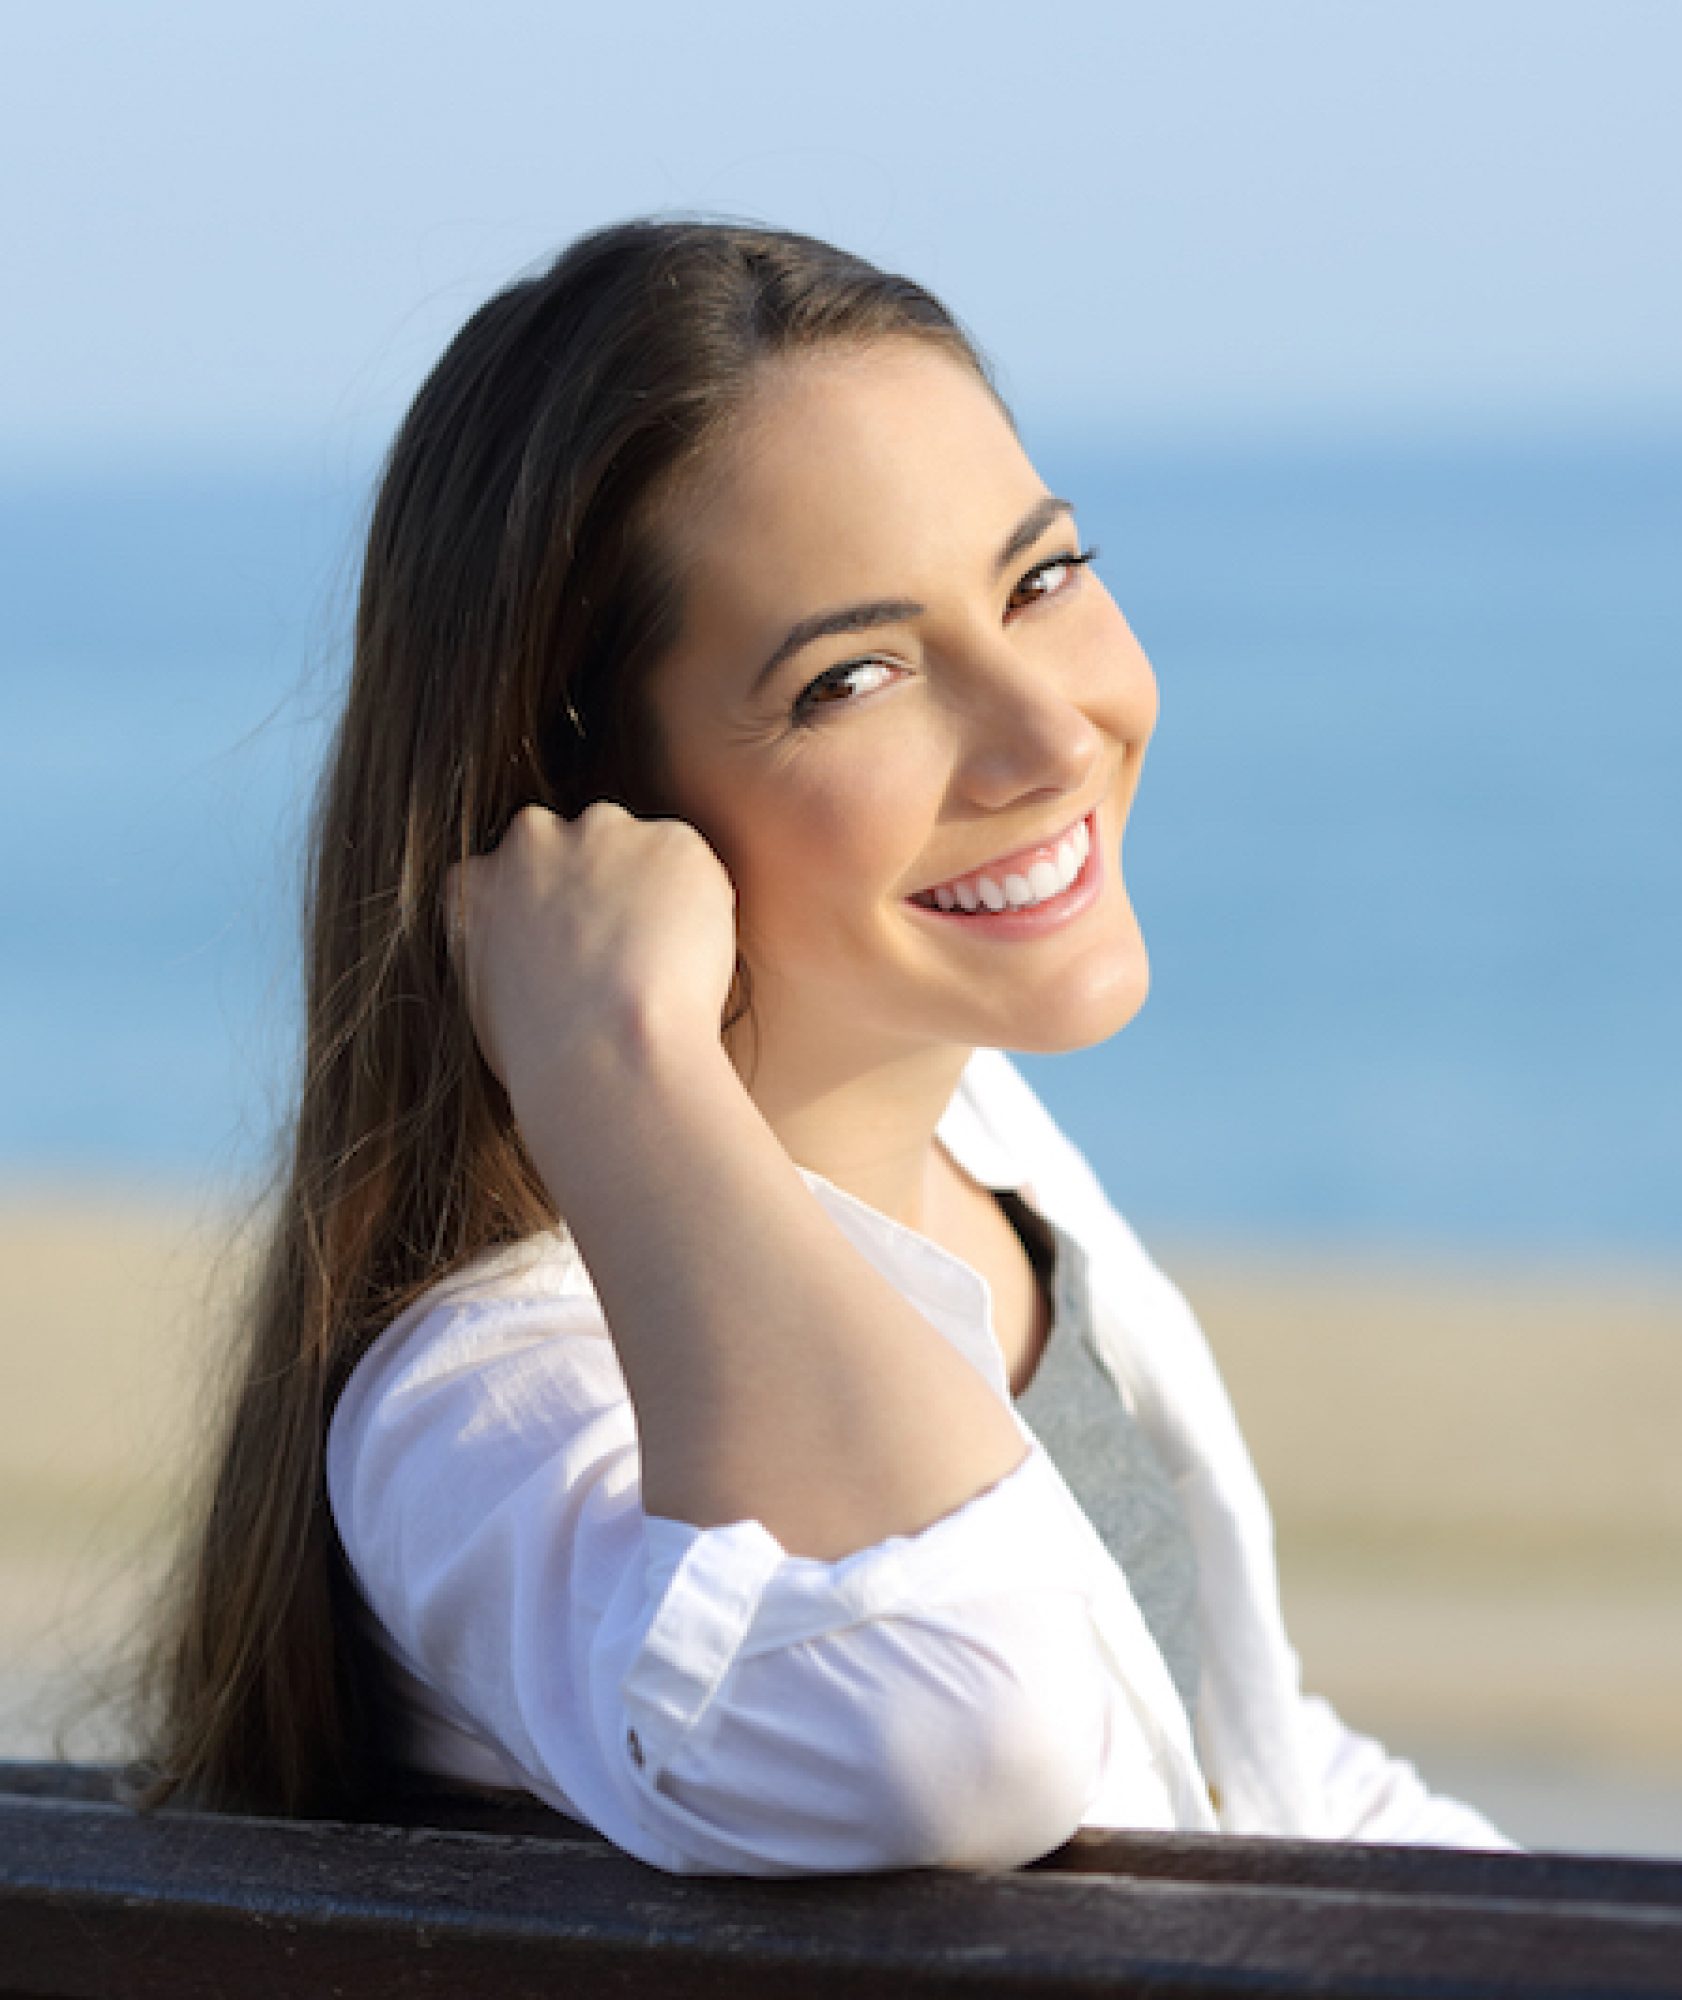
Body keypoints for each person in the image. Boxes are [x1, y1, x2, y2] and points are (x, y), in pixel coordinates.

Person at [132, 217, 1512, 1874]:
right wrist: (615, 1062)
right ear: (590, 807)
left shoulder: (981, 1149)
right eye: (855, 677)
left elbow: (1246, 1763)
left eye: (1043, 578)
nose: (1050, 732)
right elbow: (965, 1743)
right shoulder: (490, 1410)